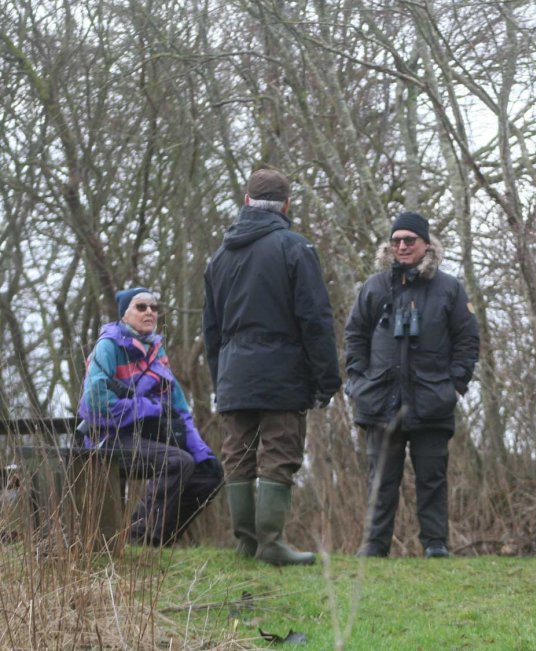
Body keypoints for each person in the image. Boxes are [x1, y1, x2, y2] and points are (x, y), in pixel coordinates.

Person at [203, 167, 341, 566]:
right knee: (279, 452)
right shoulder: (295, 248)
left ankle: (246, 543)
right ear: (286, 205)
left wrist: (220, 379)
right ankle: (270, 543)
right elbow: (315, 318)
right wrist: (327, 377)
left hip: (233, 373)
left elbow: (211, 329)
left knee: (238, 453)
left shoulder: (219, 257)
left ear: (246, 201)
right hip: (283, 372)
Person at [345, 212, 479, 558]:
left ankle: (435, 545)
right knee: (380, 480)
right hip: (380, 400)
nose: (402, 246)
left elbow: (467, 341)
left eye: (409, 240)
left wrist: (455, 386)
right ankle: (374, 547)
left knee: (432, 478)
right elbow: (354, 337)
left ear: (426, 244)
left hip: (432, 399)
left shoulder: (449, 289)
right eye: (396, 240)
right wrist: (357, 383)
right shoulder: (374, 287)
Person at [78, 287, 223, 547]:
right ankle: (138, 536)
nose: (149, 312)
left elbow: (179, 408)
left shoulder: (157, 352)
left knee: (209, 473)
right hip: (108, 438)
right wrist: (147, 408)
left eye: (154, 308)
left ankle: (159, 539)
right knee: (177, 462)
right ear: (124, 313)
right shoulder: (107, 347)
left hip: (147, 438)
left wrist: (201, 451)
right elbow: (95, 404)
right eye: (141, 306)